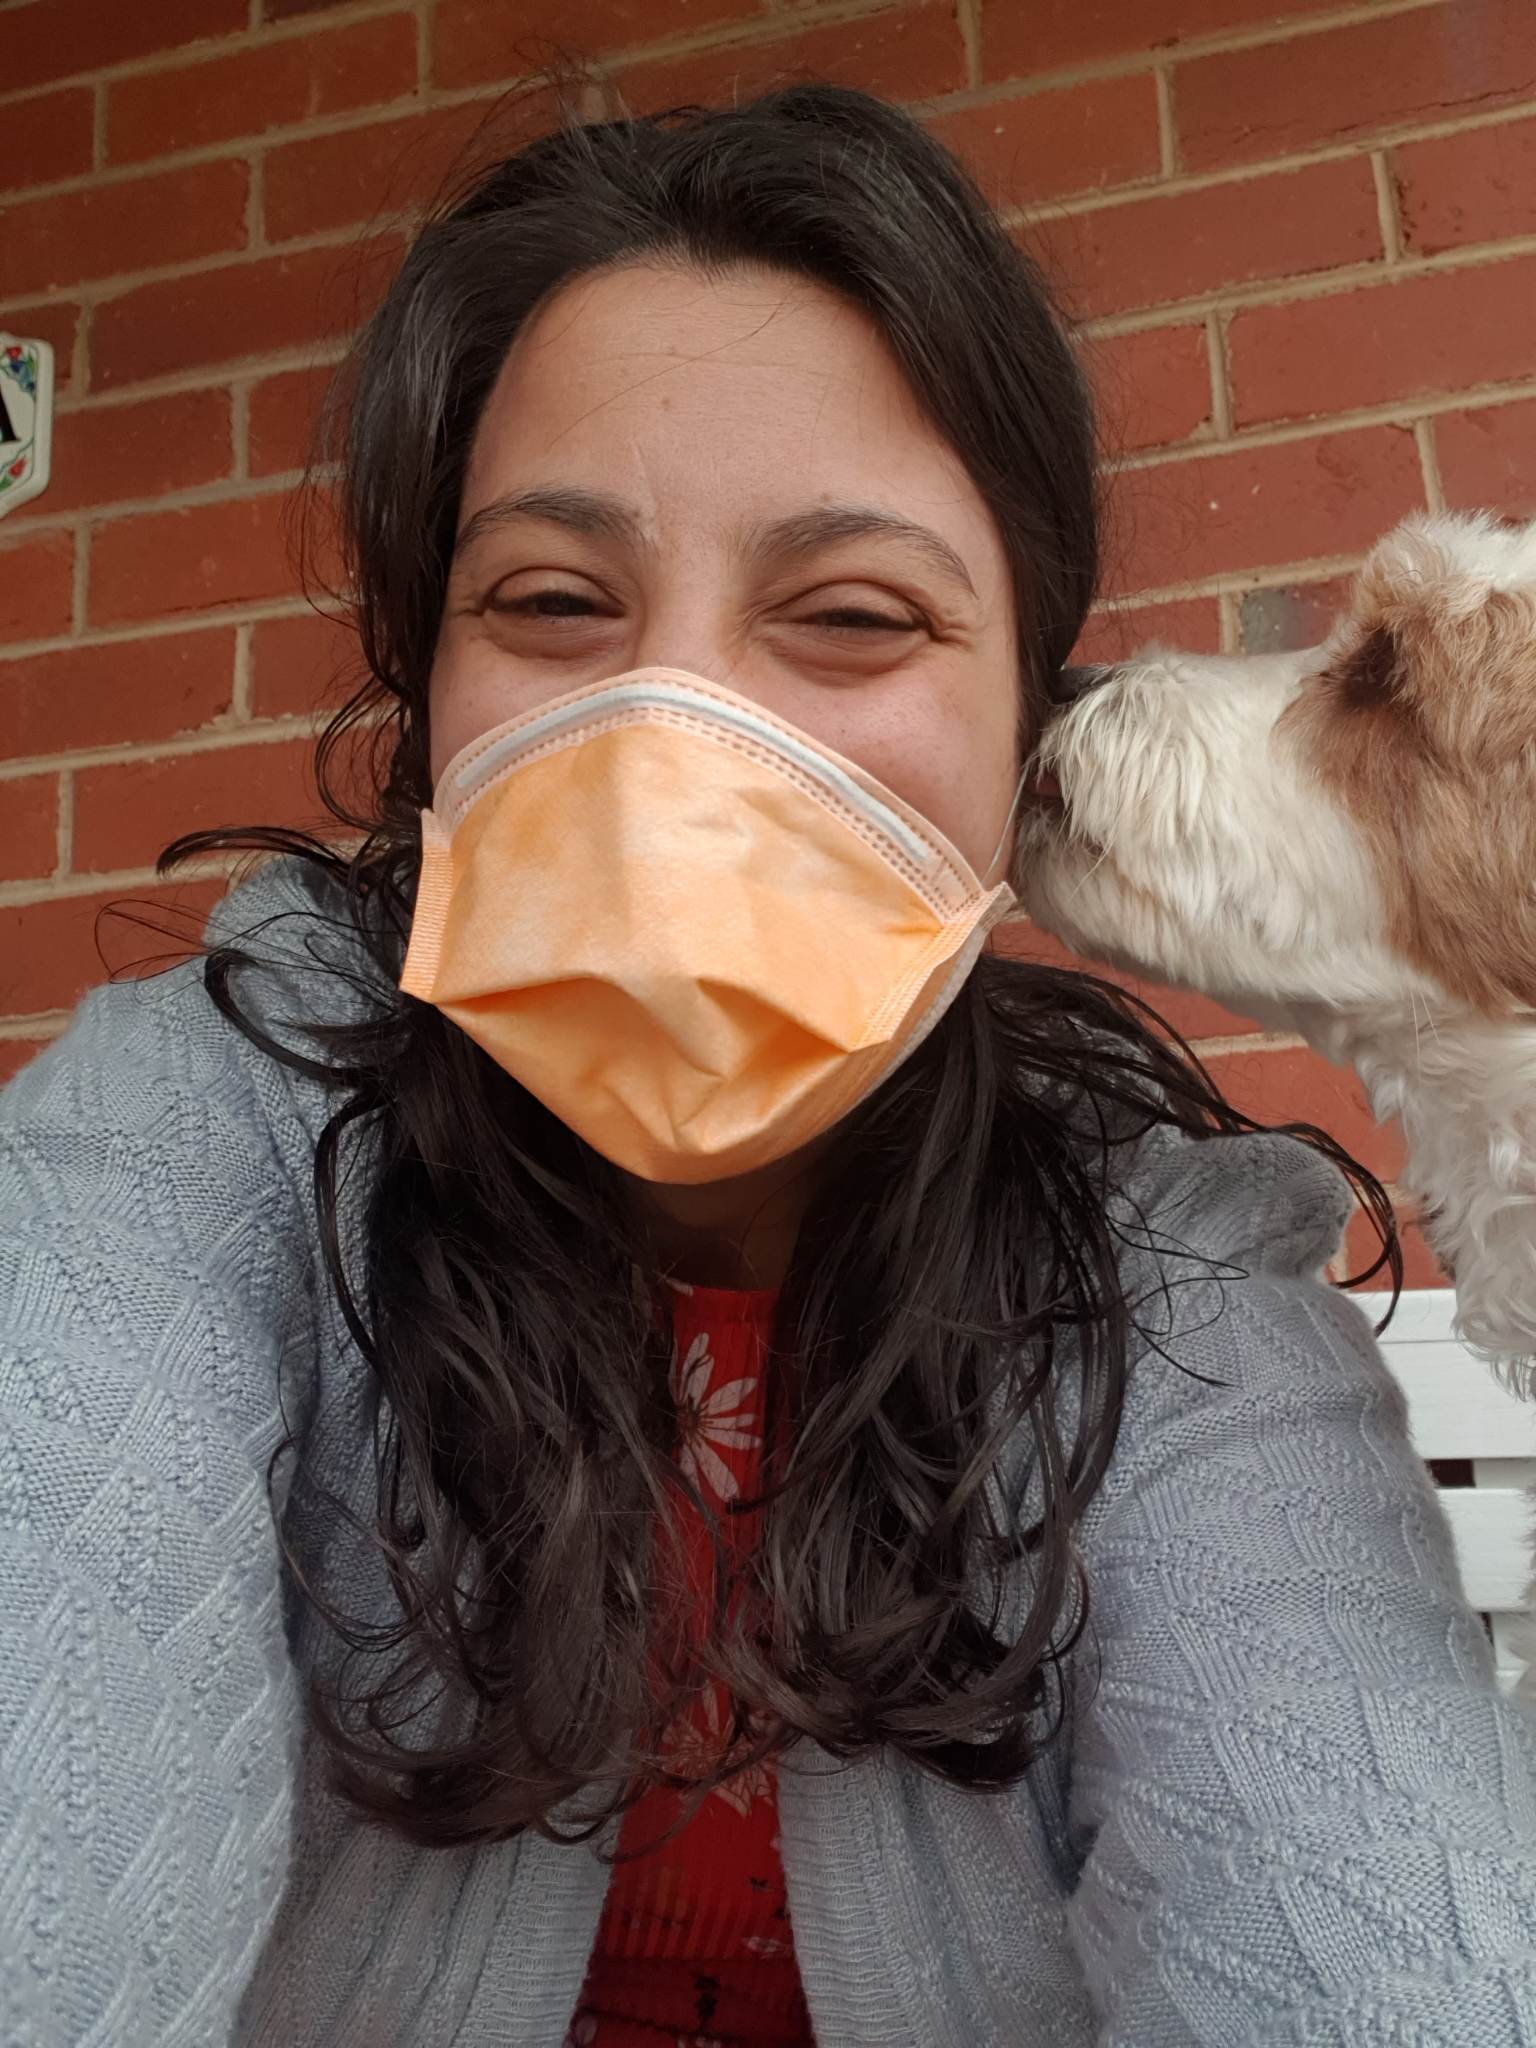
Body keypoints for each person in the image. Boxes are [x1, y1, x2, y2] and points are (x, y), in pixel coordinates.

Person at [2, 81, 1534, 2048]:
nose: (680, 736)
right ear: (427, 684)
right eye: (554, 603)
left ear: (1021, 736)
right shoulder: (196, 1122)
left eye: (850, 613)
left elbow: (1367, 1908)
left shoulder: (1159, 1273)